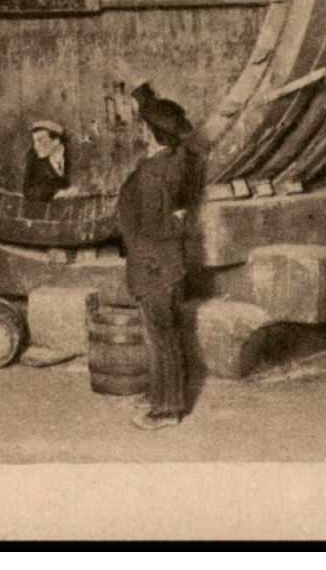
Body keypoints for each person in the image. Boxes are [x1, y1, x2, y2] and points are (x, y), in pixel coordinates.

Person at [115, 84, 203, 431]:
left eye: (144, 127)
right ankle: (158, 391)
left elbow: (151, 226)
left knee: (161, 338)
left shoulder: (152, 175)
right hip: (166, 263)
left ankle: (167, 408)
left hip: (154, 265)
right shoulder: (172, 163)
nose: (140, 130)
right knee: (163, 336)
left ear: (153, 135)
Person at [20, 119, 71, 221]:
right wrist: (55, 193)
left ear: (56, 141)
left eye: (40, 140)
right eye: (34, 141)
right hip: (42, 216)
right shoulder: (33, 159)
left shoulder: (68, 156)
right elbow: (27, 191)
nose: (36, 146)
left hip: (68, 214)